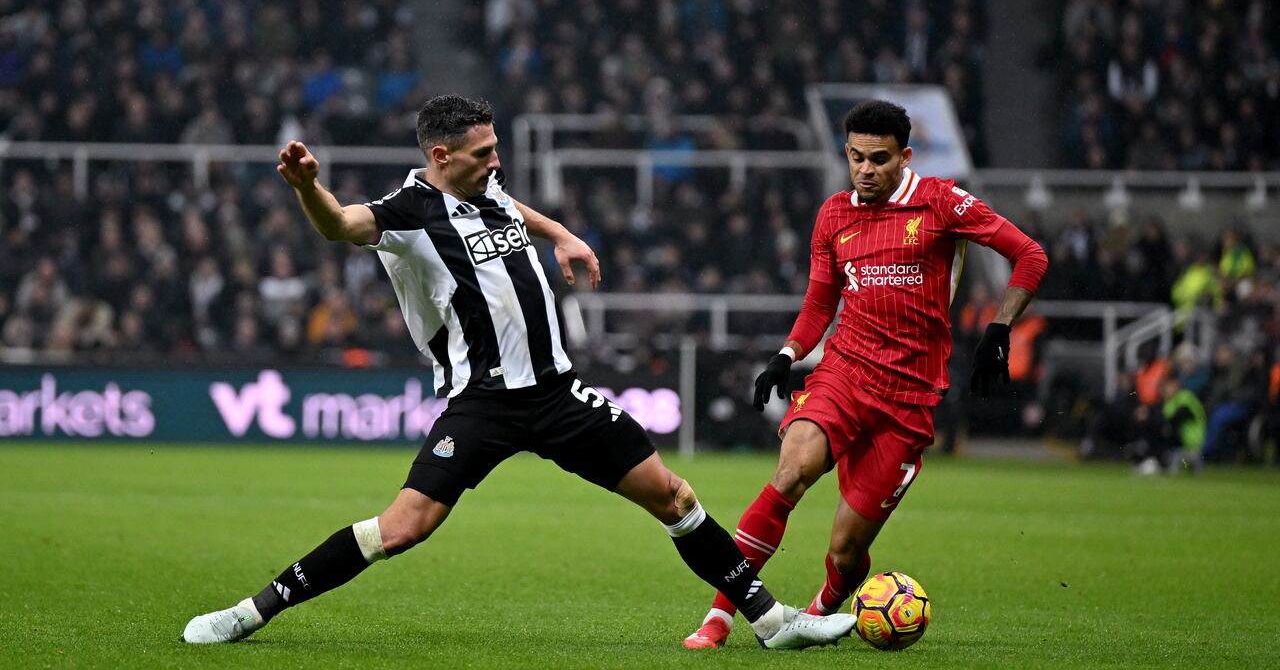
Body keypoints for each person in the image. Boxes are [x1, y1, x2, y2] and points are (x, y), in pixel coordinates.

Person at [182, 95, 855, 649]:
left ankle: (772, 622)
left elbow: (511, 205)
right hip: (485, 403)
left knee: (675, 498)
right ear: (440, 157)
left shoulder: (487, 187)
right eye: (482, 154)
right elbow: (340, 225)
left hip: (559, 394)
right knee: (402, 528)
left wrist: (560, 233)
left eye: (495, 149)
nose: (496, 162)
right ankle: (249, 612)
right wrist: (308, 188)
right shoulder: (408, 213)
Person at [684, 100, 1048, 648]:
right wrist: (787, 353)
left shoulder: (941, 202)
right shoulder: (834, 214)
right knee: (790, 473)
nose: (866, 169)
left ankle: (819, 612)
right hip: (844, 374)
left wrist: (1000, 327)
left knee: (846, 551)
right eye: (856, 157)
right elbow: (819, 304)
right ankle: (720, 617)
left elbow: (1030, 256)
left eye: (879, 159)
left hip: (909, 397)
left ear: (905, 156)